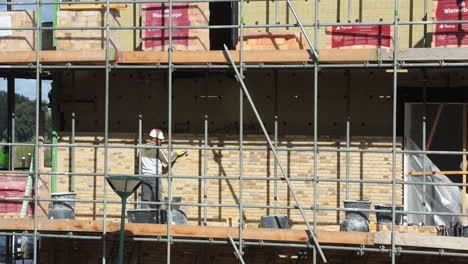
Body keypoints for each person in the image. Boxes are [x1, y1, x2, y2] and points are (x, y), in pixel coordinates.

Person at [140, 128, 187, 208]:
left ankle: (143, 217)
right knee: (158, 199)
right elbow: (167, 160)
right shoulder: (157, 148)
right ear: (156, 139)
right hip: (155, 177)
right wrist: (176, 154)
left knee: (145, 199)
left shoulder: (141, 148)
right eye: (160, 140)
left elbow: (140, 163)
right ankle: (158, 216)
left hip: (144, 176)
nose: (161, 142)